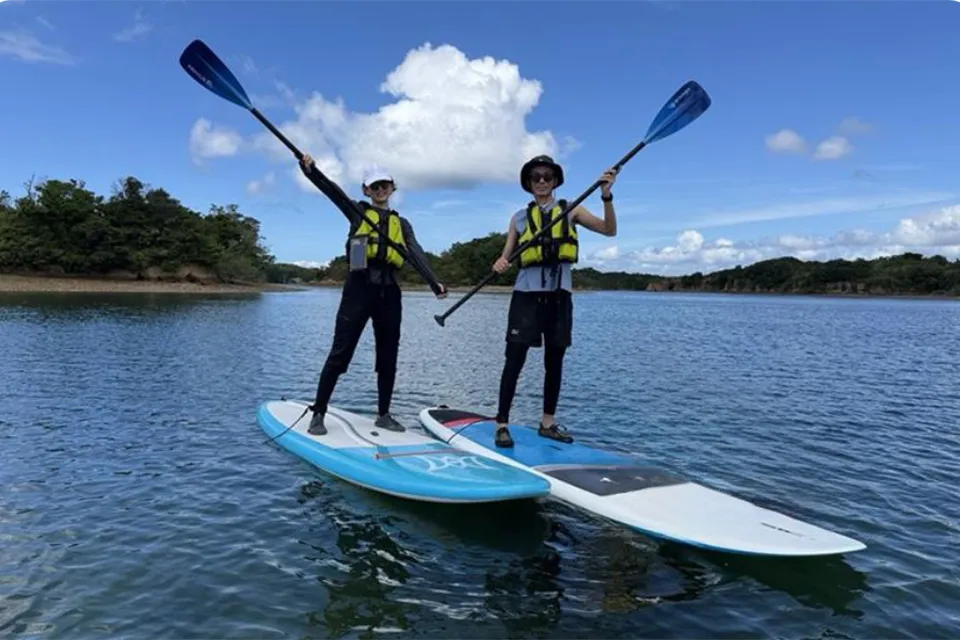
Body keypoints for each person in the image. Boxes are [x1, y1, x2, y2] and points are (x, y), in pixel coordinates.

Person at [297, 153, 447, 435]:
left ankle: (384, 414)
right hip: (359, 289)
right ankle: (318, 412)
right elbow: (332, 192)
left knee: (388, 356)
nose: (380, 190)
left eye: (384, 185)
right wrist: (310, 171)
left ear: (392, 187)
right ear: (366, 190)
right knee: (340, 353)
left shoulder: (402, 224)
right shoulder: (358, 212)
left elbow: (415, 253)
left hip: (389, 293)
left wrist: (433, 282)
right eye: (374, 186)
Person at [490, 154, 618, 448]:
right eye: (536, 177)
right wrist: (499, 264)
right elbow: (505, 257)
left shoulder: (571, 209)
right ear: (528, 183)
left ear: (556, 180)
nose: (542, 181)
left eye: (547, 176)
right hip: (526, 296)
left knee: (555, 361)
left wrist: (606, 196)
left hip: (560, 295)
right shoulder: (518, 218)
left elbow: (609, 230)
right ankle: (502, 424)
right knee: (514, 360)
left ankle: (547, 424)